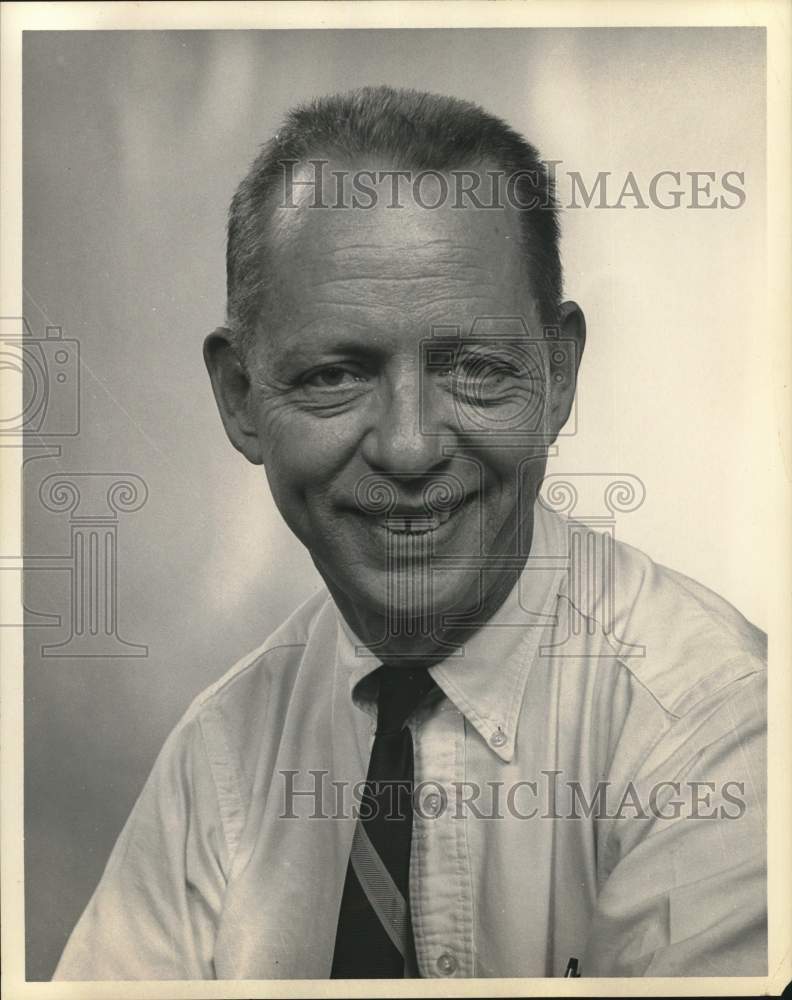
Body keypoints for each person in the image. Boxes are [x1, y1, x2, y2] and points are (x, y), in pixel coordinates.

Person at [54, 86, 766, 981]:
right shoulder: (222, 754)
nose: (408, 447)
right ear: (240, 399)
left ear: (557, 379)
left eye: (474, 368)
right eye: (335, 375)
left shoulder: (720, 732)